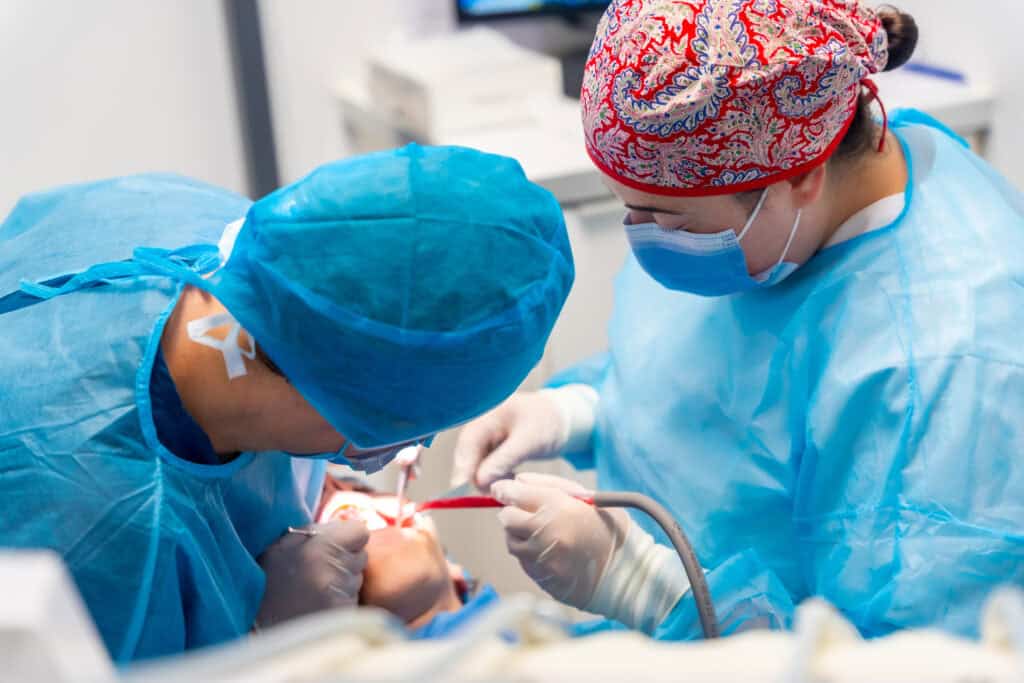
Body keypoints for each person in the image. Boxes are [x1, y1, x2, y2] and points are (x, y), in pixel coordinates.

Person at [454, 0, 1024, 641]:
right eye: (628, 209)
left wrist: (650, 586)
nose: (644, 235)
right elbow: (719, 365)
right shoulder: (794, 205)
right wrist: (580, 410)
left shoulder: (946, 368)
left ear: (803, 177)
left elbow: (898, 661)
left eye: (669, 219)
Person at [0, 144, 573, 661]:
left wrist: (320, 490)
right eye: (409, 430)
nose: (411, 452)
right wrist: (269, 642)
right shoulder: (95, 534)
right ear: (343, 402)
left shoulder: (247, 240)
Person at [316, 476, 499, 637]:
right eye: (316, 510)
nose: (351, 498)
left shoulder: (508, 629)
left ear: (455, 573)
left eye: (362, 490)